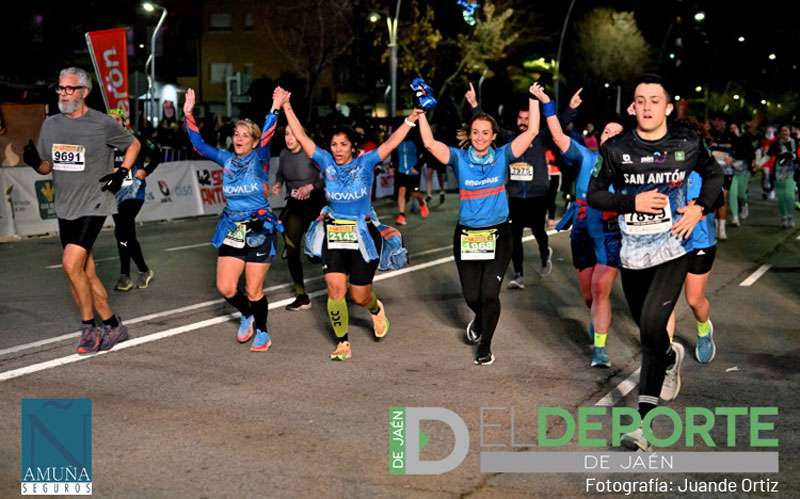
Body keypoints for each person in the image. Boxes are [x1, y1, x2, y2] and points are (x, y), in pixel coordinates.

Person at [587, 74, 723, 451]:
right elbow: (595, 195)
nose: (647, 106)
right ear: (634, 107)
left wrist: (698, 208)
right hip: (633, 251)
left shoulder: (687, 142)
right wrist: (631, 203)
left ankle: (643, 428)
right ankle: (669, 355)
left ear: (666, 107)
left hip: (674, 246)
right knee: (650, 334)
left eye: (654, 100)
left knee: (650, 325)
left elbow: (714, 175)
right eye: (640, 100)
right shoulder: (617, 149)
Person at [279, 87, 414, 361]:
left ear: (353, 146)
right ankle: (343, 342)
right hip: (335, 233)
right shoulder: (325, 162)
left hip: (363, 235)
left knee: (359, 296)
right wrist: (286, 106)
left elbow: (391, 144)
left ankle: (376, 310)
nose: (337, 150)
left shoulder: (366, 163)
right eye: (334, 144)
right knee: (335, 288)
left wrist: (411, 118)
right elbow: (302, 137)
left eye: (343, 144)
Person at [419, 83, 541, 365]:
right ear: (470, 135)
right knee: (472, 295)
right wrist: (420, 113)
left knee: (489, 293)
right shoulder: (459, 158)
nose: (480, 137)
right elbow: (429, 143)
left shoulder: (503, 156)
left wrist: (533, 99)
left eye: (486, 133)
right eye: (476, 132)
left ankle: (485, 344)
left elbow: (532, 131)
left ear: (493, 136)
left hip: (499, 233)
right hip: (467, 235)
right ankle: (479, 318)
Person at [24, 67, 141, 354]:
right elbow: (46, 167)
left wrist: (122, 171)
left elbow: (134, 143)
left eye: (69, 89)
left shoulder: (101, 123)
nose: (63, 93)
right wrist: (32, 162)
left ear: (84, 92)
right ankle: (114, 326)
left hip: (95, 201)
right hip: (65, 206)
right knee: (85, 273)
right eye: (60, 88)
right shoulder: (51, 124)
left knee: (69, 264)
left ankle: (89, 329)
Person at [530, 84, 624, 368]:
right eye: (607, 132)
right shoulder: (587, 157)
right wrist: (547, 102)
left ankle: (600, 349)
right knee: (588, 294)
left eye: (617, 134)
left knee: (599, 290)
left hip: (609, 232)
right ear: (600, 137)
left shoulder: (630, 168)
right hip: (582, 226)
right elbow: (557, 135)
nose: (611, 136)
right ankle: (598, 319)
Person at [183, 87, 281, 352]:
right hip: (233, 227)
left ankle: (262, 331)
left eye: (245, 135)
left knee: (253, 289)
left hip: (260, 227)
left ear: (253, 141)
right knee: (226, 287)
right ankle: (247, 314)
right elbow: (199, 146)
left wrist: (274, 108)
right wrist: (188, 114)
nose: (238, 138)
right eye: (236, 134)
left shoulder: (259, 159)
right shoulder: (226, 160)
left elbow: (269, 132)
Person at [464, 83, 578, 286]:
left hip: (537, 194)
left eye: (527, 118)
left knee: (537, 231)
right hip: (515, 195)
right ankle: (519, 275)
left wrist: (571, 108)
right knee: (514, 236)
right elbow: (488, 126)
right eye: (521, 118)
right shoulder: (510, 139)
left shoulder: (541, 137)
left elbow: (558, 124)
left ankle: (545, 253)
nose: (524, 122)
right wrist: (474, 105)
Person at [272, 125, 325, 311]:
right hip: (294, 205)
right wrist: (278, 183)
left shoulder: (312, 152)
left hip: (316, 205)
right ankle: (301, 295)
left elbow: (327, 176)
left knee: (319, 253)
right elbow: (280, 172)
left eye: (293, 134)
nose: (289, 138)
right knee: (293, 251)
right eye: (286, 134)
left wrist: (310, 187)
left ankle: (342, 284)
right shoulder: (284, 154)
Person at [666, 171, 718, 363]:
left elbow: (718, 198)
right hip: (669, 243)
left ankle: (704, 330)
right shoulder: (662, 163)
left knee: (694, 300)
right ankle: (666, 353)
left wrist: (699, 208)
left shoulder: (704, 165)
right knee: (665, 300)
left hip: (700, 243)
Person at [107, 108, 159, 292]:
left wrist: (146, 170)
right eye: (110, 119)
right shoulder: (105, 141)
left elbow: (157, 154)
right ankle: (143, 270)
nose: (113, 123)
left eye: (116, 119)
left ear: (123, 121)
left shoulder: (135, 139)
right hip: (114, 193)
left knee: (122, 230)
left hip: (134, 192)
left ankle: (125, 275)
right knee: (125, 234)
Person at [391, 129, 429, 225]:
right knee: (401, 191)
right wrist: (392, 166)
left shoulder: (416, 140)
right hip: (401, 171)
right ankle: (401, 215)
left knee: (414, 193)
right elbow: (393, 154)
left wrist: (417, 167)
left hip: (413, 171)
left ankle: (421, 202)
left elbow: (426, 153)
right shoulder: (397, 140)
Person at [768, 126, 797, 228]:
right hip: (778, 172)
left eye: (786, 130)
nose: (784, 132)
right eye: (782, 131)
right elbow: (768, 156)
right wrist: (758, 163)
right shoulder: (776, 143)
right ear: (779, 133)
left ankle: (791, 216)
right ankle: (784, 217)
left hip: (791, 172)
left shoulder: (795, 142)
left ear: (789, 131)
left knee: (790, 196)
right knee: (781, 197)